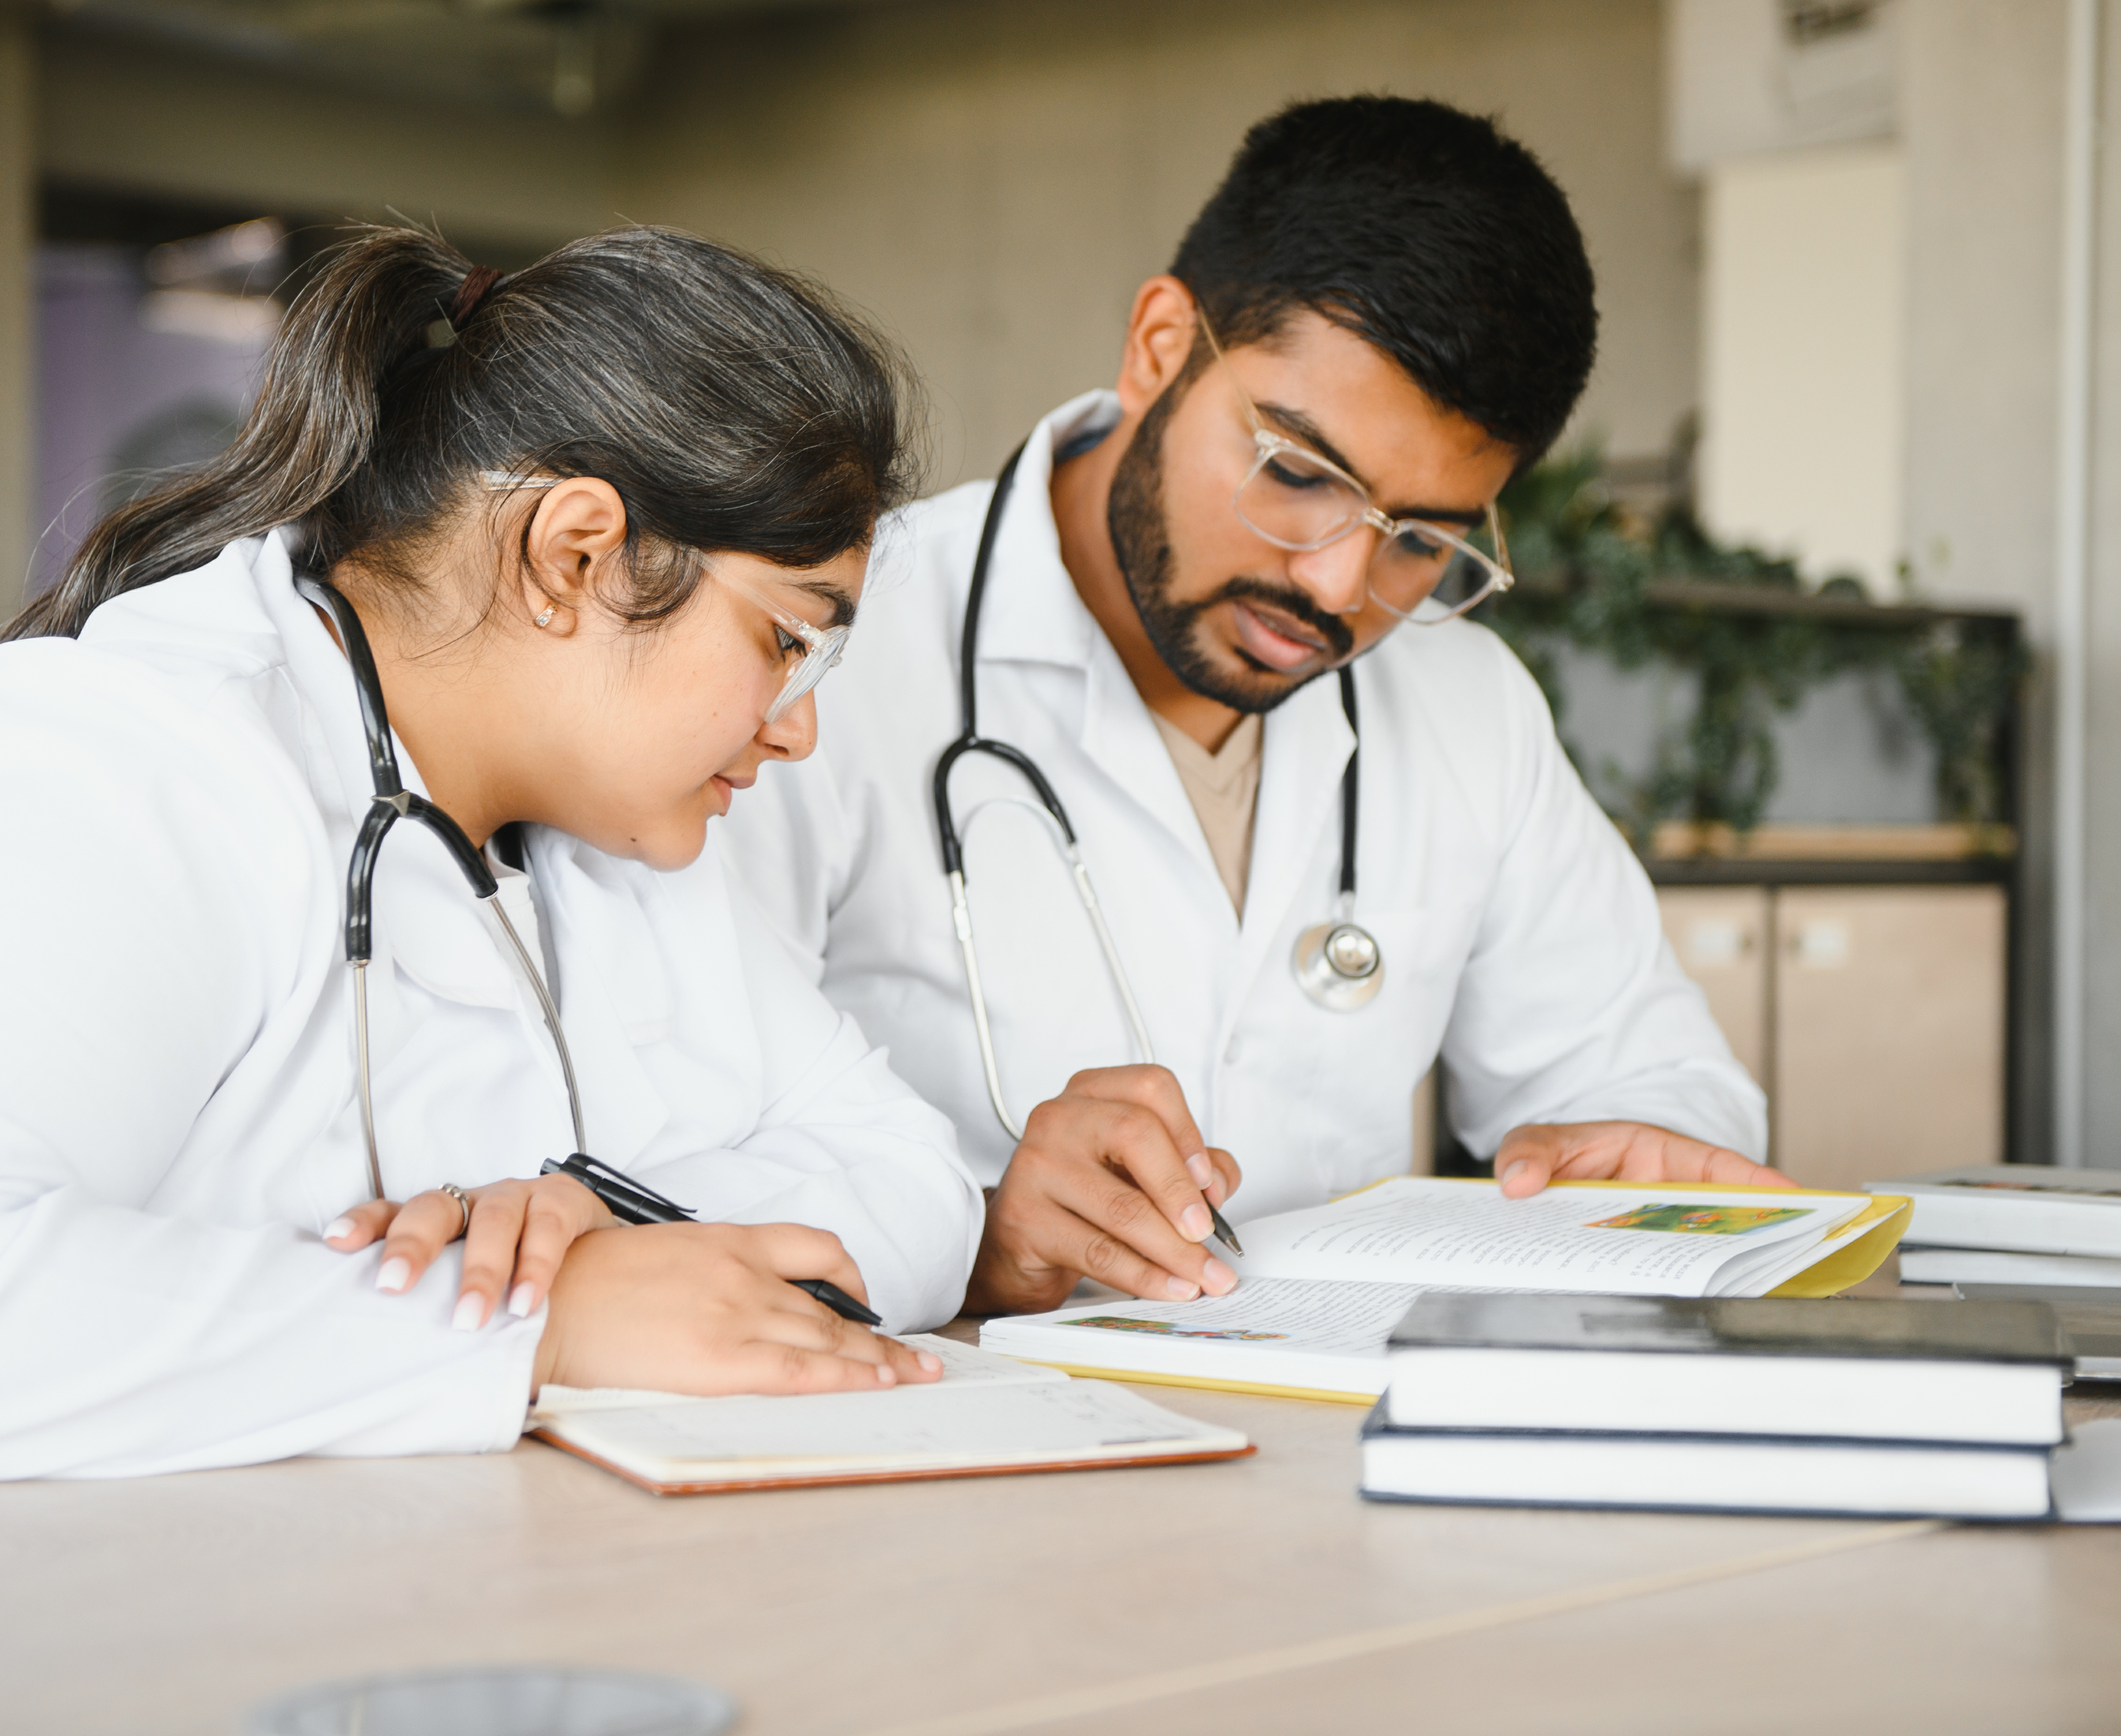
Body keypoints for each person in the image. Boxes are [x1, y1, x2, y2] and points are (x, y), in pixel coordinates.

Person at [0, 224, 981, 1483]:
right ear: (574, 553)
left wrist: (603, 1225)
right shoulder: (102, 758)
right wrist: (536, 1321)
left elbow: (913, 1186)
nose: (795, 731)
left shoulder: (615, 845)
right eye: (786, 642)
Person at [718, 96, 1788, 1318]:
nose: (1339, 585)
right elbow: (661, 1149)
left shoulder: (1466, 708)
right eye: (1297, 472)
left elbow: (1658, 1080)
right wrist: (973, 1243)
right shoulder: (833, 649)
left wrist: (1640, 1155)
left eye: (1423, 539)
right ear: (1160, 344)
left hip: (1330, 1456)